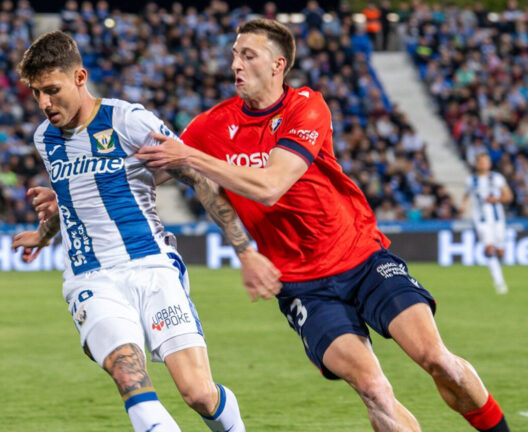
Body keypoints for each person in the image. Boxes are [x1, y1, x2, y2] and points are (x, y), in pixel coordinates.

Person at [135, 19, 510, 432]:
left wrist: (191, 156)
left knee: (438, 360)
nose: (235, 65)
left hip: (362, 258)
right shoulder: (211, 126)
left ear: (278, 65)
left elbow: (271, 185)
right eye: (234, 55)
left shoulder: (306, 106)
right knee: (374, 389)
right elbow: (148, 173)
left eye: (247, 55)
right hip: (303, 287)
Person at [11, 31, 279, 432]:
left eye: (52, 90)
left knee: (199, 394)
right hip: (91, 277)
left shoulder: (127, 120)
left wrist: (245, 251)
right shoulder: (45, 139)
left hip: (152, 266)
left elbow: (195, 176)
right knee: (129, 375)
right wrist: (43, 234)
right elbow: (71, 198)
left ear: (80, 78)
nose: (44, 104)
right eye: (36, 93)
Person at [462, 153, 513, 294]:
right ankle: (499, 282)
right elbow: (466, 195)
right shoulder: (471, 180)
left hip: (497, 219)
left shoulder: (497, 178)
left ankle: (498, 267)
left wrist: (495, 199)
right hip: (481, 220)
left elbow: (508, 196)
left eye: (486, 161)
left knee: (500, 251)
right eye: (481, 162)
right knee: (489, 248)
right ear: (477, 163)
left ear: (489, 163)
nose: (483, 164)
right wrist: (463, 207)